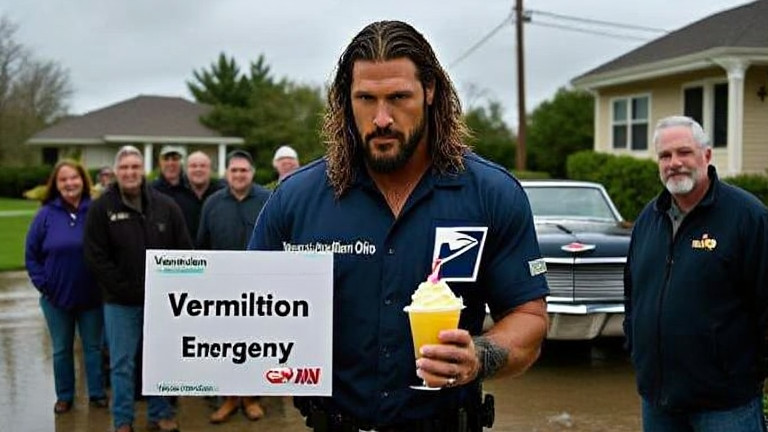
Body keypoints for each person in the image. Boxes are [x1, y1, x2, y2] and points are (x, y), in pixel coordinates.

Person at [247, 20, 549, 431]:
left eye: (398, 97)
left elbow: (529, 316)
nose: (382, 118)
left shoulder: (491, 194)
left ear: (429, 92)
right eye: (366, 99)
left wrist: (480, 354)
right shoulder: (295, 200)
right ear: (345, 102)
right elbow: (245, 311)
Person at [624, 115, 768, 432]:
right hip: (658, 403)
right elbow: (632, 295)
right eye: (665, 155)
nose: (674, 163)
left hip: (726, 407)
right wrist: (637, 353)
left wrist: (747, 376)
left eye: (683, 152)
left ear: (706, 155)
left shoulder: (748, 217)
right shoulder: (649, 219)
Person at [84, 145, 192, 432]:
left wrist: (172, 290)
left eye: (135, 167)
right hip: (119, 303)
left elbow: (183, 250)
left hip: (160, 303)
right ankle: (122, 420)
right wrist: (125, 289)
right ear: (116, 173)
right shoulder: (101, 208)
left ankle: (160, 413)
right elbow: (96, 257)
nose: (130, 172)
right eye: (124, 168)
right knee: (122, 364)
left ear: (143, 171)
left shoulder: (165, 206)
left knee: (159, 360)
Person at [24, 159, 107, 414]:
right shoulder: (45, 215)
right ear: (56, 185)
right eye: (63, 179)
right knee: (61, 349)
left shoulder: (96, 211)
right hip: (55, 298)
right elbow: (31, 255)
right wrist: (44, 285)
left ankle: (96, 393)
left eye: (74, 178)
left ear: (83, 180)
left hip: (92, 296)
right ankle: (65, 396)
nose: (70, 183)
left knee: (93, 347)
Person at [197, 149, 271, 424]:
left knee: (254, 346)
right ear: (227, 174)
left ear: (252, 173)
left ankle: (252, 398)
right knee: (226, 347)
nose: (239, 175)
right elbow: (202, 245)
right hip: (222, 291)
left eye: (244, 170)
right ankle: (228, 398)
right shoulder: (213, 204)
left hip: (259, 289)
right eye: (234, 171)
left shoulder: (267, 200)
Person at [183, 151, 224, 236]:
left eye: (203, 166)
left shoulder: (222, 195)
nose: (198, 169)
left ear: (210, 169)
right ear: (186, 170)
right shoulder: (176, 195)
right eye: (193, 166)